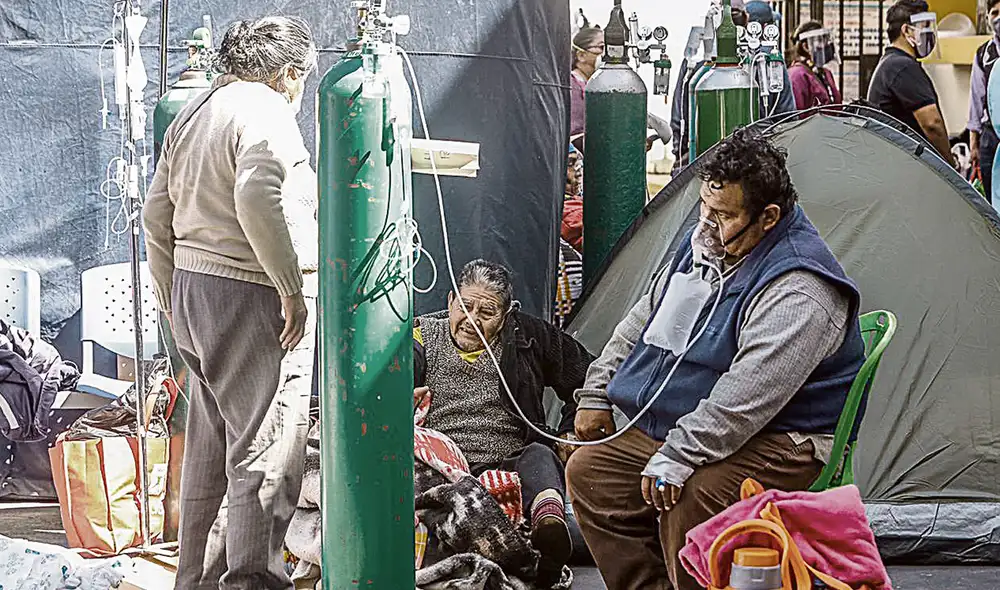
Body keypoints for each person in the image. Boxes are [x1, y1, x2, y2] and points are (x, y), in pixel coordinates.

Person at [565, 128, 866, 590]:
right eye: (704, 207)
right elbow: (641, 321)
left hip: (785, 434)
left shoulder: (801, 288)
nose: (705, 225)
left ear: (768, 217)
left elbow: (746, 399)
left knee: (689, 492)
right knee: (591, 473)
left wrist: (677, 455)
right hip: (699, 421)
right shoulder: (707, 244)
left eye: (723, 216)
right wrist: (595, 392)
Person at [143, 16, 318, 590]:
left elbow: (154, 216)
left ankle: (193, 581)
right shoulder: (267, 110)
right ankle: (250, 583)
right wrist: (290, 287)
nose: (301, 94)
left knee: (209, 451)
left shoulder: (197, 109)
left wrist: (173, 297)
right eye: (302, 81)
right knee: (265, 454)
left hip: (193, 292)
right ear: (288, 73)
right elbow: (255, 193)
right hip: (249, 293)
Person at [412, 260, 594, 586]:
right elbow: (387, 381)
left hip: (510, 460)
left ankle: (548, 521)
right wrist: (401, 398)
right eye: (465, 306)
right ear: (451, 300)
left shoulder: (529, 336)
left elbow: (590, 377)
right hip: (445, 467)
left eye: (487, 311)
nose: (472, 319)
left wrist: (570, 427)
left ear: (506, 314)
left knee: (539, 453)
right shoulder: (421, 336)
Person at [670, 0, 796, 169]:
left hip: (703, 163)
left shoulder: (762, 61)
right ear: (747, 18)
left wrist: (681, 157)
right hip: (754, 165)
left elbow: (680, 119)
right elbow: (787, 119)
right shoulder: (769, 61)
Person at [868, 0, 956, 167]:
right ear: (907, 30)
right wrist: (949, 166)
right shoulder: (902, 66)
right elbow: (932, 124)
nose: (929, 32)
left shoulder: (891, 63)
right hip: (903, 165)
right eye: (925, 25)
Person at [969, 0, 1000, 201]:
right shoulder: (984, 54)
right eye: (995, 12)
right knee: (991, 200)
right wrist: (974, 144)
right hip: (991, 137)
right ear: (988, 17)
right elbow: (976, 100)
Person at [788, 21, 843, 110]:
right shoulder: (796, 75)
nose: (826, 44)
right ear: (806, 46)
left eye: (826, 39)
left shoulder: (825, 73)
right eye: (820, 40)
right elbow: (797, 115)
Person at [571, 26, 604, 138]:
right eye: (602, 47)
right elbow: (573, 134)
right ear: (581, 55)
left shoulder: (595, 85)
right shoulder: (572, 85)